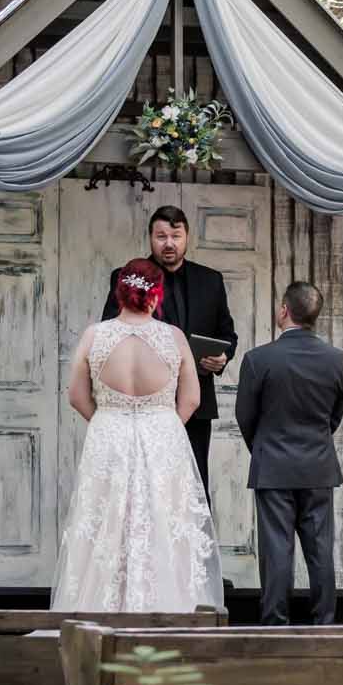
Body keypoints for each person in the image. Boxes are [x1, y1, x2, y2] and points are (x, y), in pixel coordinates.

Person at [52, 258, 221, 611]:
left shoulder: (94, 336)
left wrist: (106, 420)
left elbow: (76, 396)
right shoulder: (172, 337)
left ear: (120, 294)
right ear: (156, 297)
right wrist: (162, 424)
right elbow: (191, 398)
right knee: (163, 524)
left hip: (109, 437)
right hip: (162, 438)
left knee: (105, 526)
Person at [102, 204, 237, 496]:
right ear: (150, 238)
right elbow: (110, 331)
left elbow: (228, 333)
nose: (169, 243)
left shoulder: (211, 280)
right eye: (161, 236)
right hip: (144, 403)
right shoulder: (126, 277)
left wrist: (223, 357)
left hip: (196, 403)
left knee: (193, 485)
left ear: (187, 237)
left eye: (176, 236)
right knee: (142, 486)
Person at [234, 280, 343, 626]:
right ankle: (325, 624)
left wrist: (266, 447)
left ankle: (275, 625)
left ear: (284, 310)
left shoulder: (258, 359)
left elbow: (245, 415)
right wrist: (314, 440)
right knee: (320, 551)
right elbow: (335, 413)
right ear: (315, 315)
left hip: (274, 467)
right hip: (317, 467)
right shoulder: (336, 360)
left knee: (276, 550)